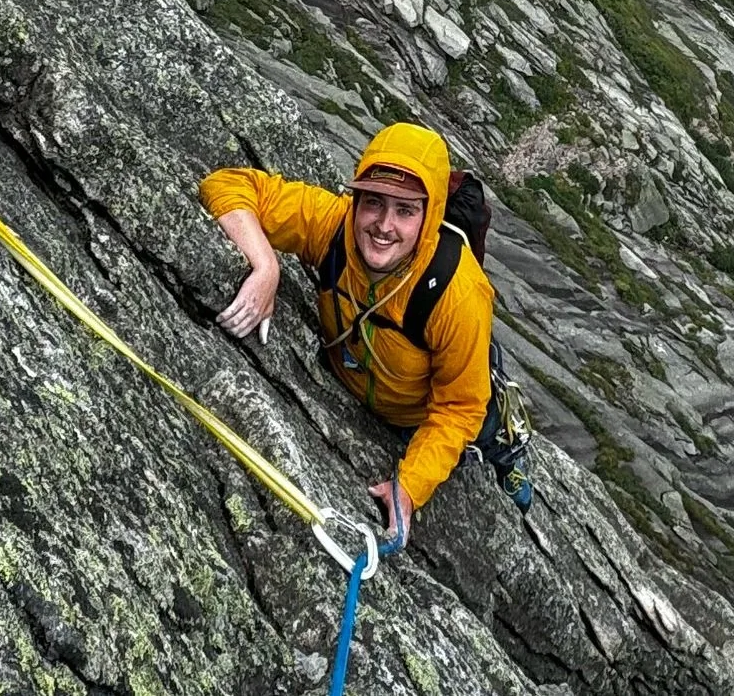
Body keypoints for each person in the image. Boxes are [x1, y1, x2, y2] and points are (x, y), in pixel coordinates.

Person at [198, 121, 531, 549]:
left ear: (429, 217)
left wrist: (410, 486)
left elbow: (459, 407)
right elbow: (227, 185)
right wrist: (266, 266)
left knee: (486, 436)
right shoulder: (334, 227)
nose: (384, 225)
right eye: (373, 202)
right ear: (356, 200)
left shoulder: (458, 293)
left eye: (406, 210)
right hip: (359, 380)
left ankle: (509, 465)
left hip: (422, 413)